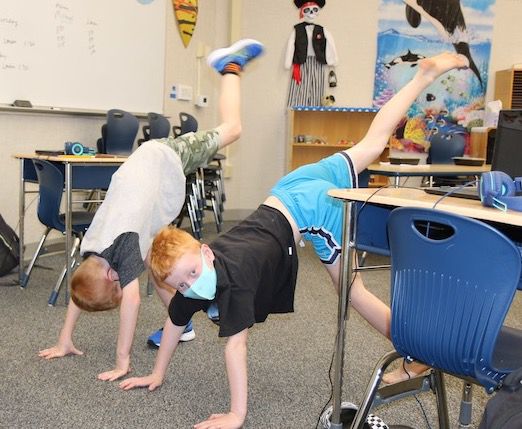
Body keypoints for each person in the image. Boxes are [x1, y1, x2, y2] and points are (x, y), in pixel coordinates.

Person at [119, 52, 470, 429]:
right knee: (371, 145)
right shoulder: (194, 266)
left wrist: (237, 415)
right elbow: (175, 319)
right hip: (287, 189)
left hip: (312, 211)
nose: (190, 285)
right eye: (181, 284)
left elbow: (236, 346)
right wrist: (157, 374)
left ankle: (418, 351)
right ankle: (423, 77)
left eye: (190, 274)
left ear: (206, 250)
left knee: (352, 292)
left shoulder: (232, 281)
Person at [37, 38, 265, 382]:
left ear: (114, 276)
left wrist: (122, 361)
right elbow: (80, 288)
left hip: (166, 156)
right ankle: (182, 322)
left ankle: (230, 66)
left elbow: (131, 304)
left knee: (232, 129)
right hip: (145, 167)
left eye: (118, 284)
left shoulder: (121, 247)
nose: (121, 283)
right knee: (155, 262)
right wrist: (64, 338)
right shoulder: (91, 253)